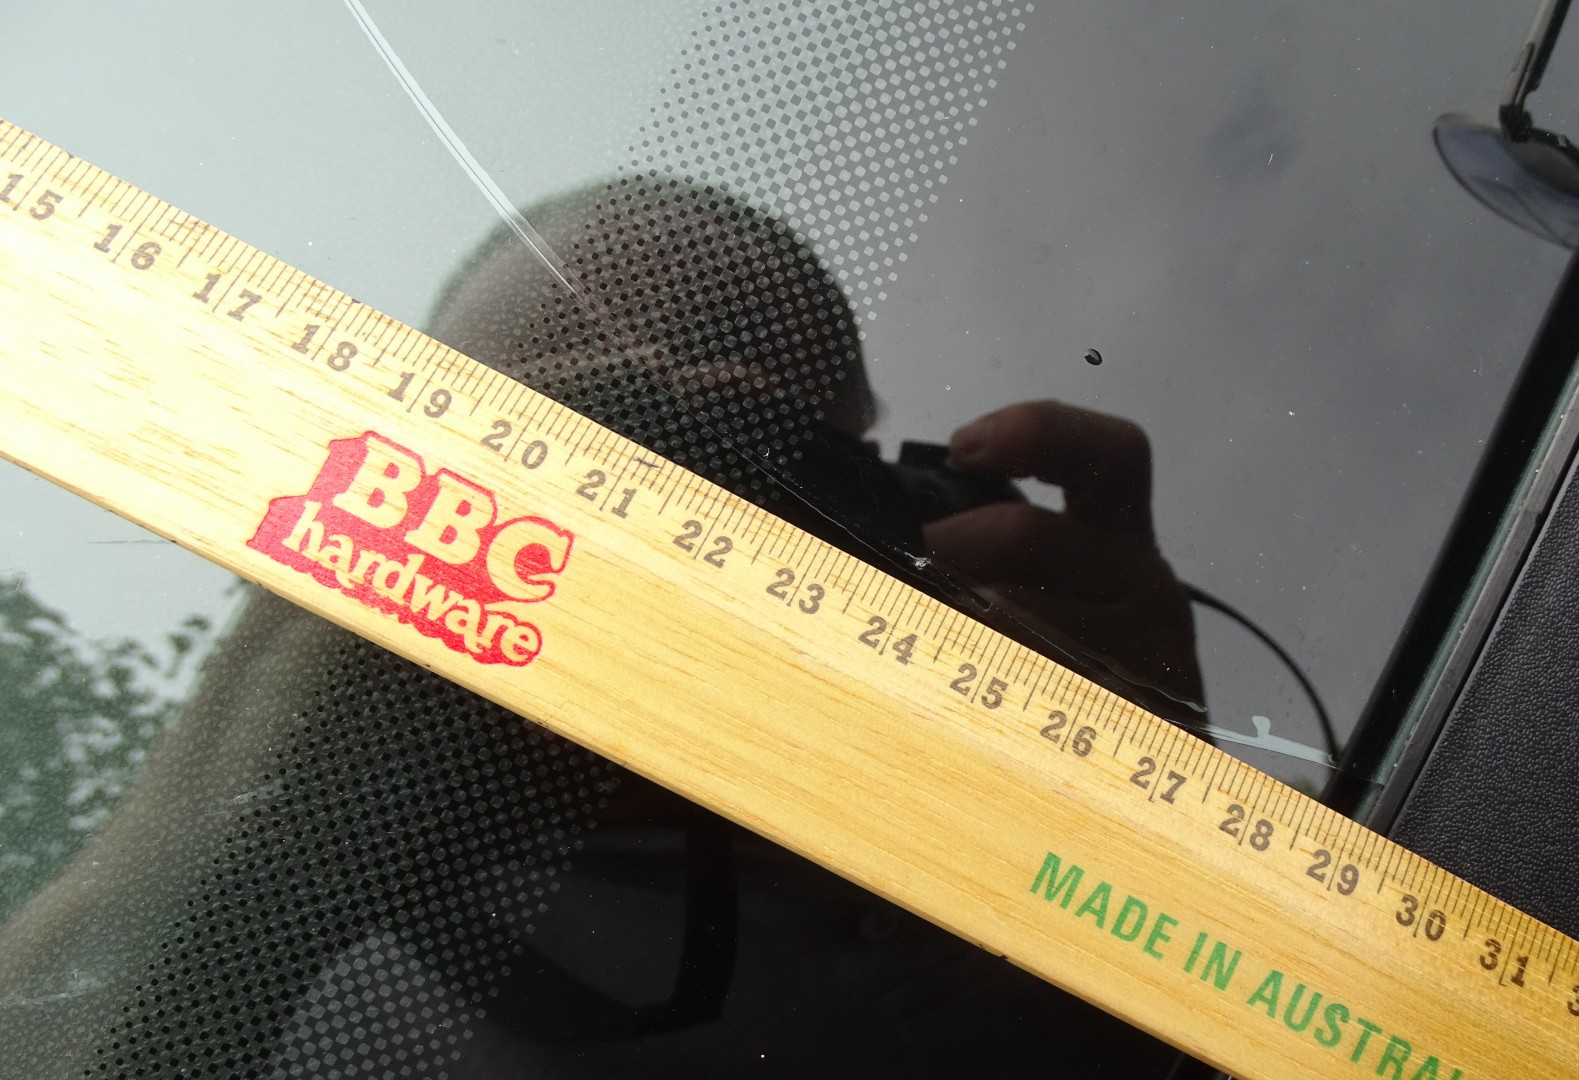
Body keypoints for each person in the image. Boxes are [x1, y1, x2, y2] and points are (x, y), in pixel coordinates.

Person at [0, 172, 1202, 1077]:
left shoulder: (996, 841)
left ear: (889, 508)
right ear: (381, 501)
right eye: (547, 441)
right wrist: (261, 795)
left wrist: (1148, 824)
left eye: (755, 450)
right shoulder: (311, 955)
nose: (648, 514)